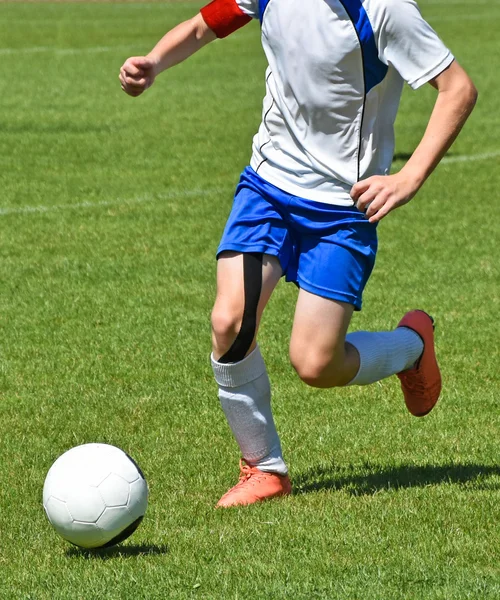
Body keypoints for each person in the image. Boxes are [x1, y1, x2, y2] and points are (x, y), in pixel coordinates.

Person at [119, 0, 477, 507]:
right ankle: (264, 467)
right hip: (267, 186)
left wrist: (408, 176)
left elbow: (458, 88)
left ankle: (410, 347)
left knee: (315, 363)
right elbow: (204, 26)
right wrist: (154, 61)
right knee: (230, 321)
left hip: (342, 208)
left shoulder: (385, 10)